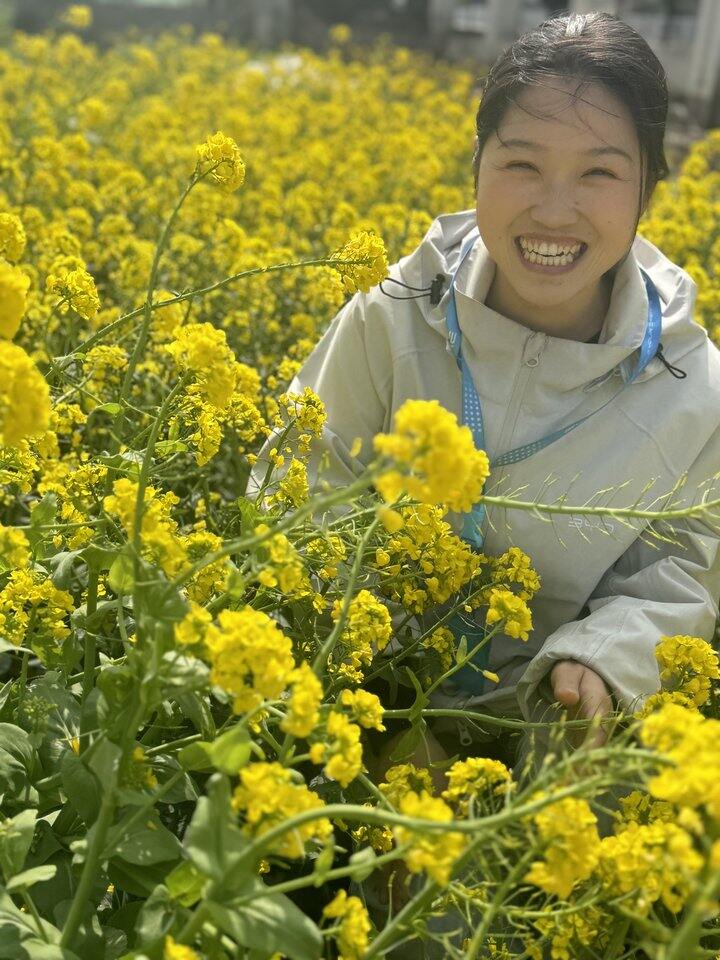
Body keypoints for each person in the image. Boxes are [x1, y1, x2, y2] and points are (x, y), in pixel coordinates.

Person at [250, 10, 720, 928]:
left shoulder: (694, 386)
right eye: (521, 164)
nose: (553, 209)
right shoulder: (391, 317)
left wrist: (605, 658)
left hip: (545, 742)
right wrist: (369, 680)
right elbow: (294, 487)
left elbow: (682, 571)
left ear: (649, 192)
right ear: (476, 168)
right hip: (353, 713)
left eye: (598, 174)